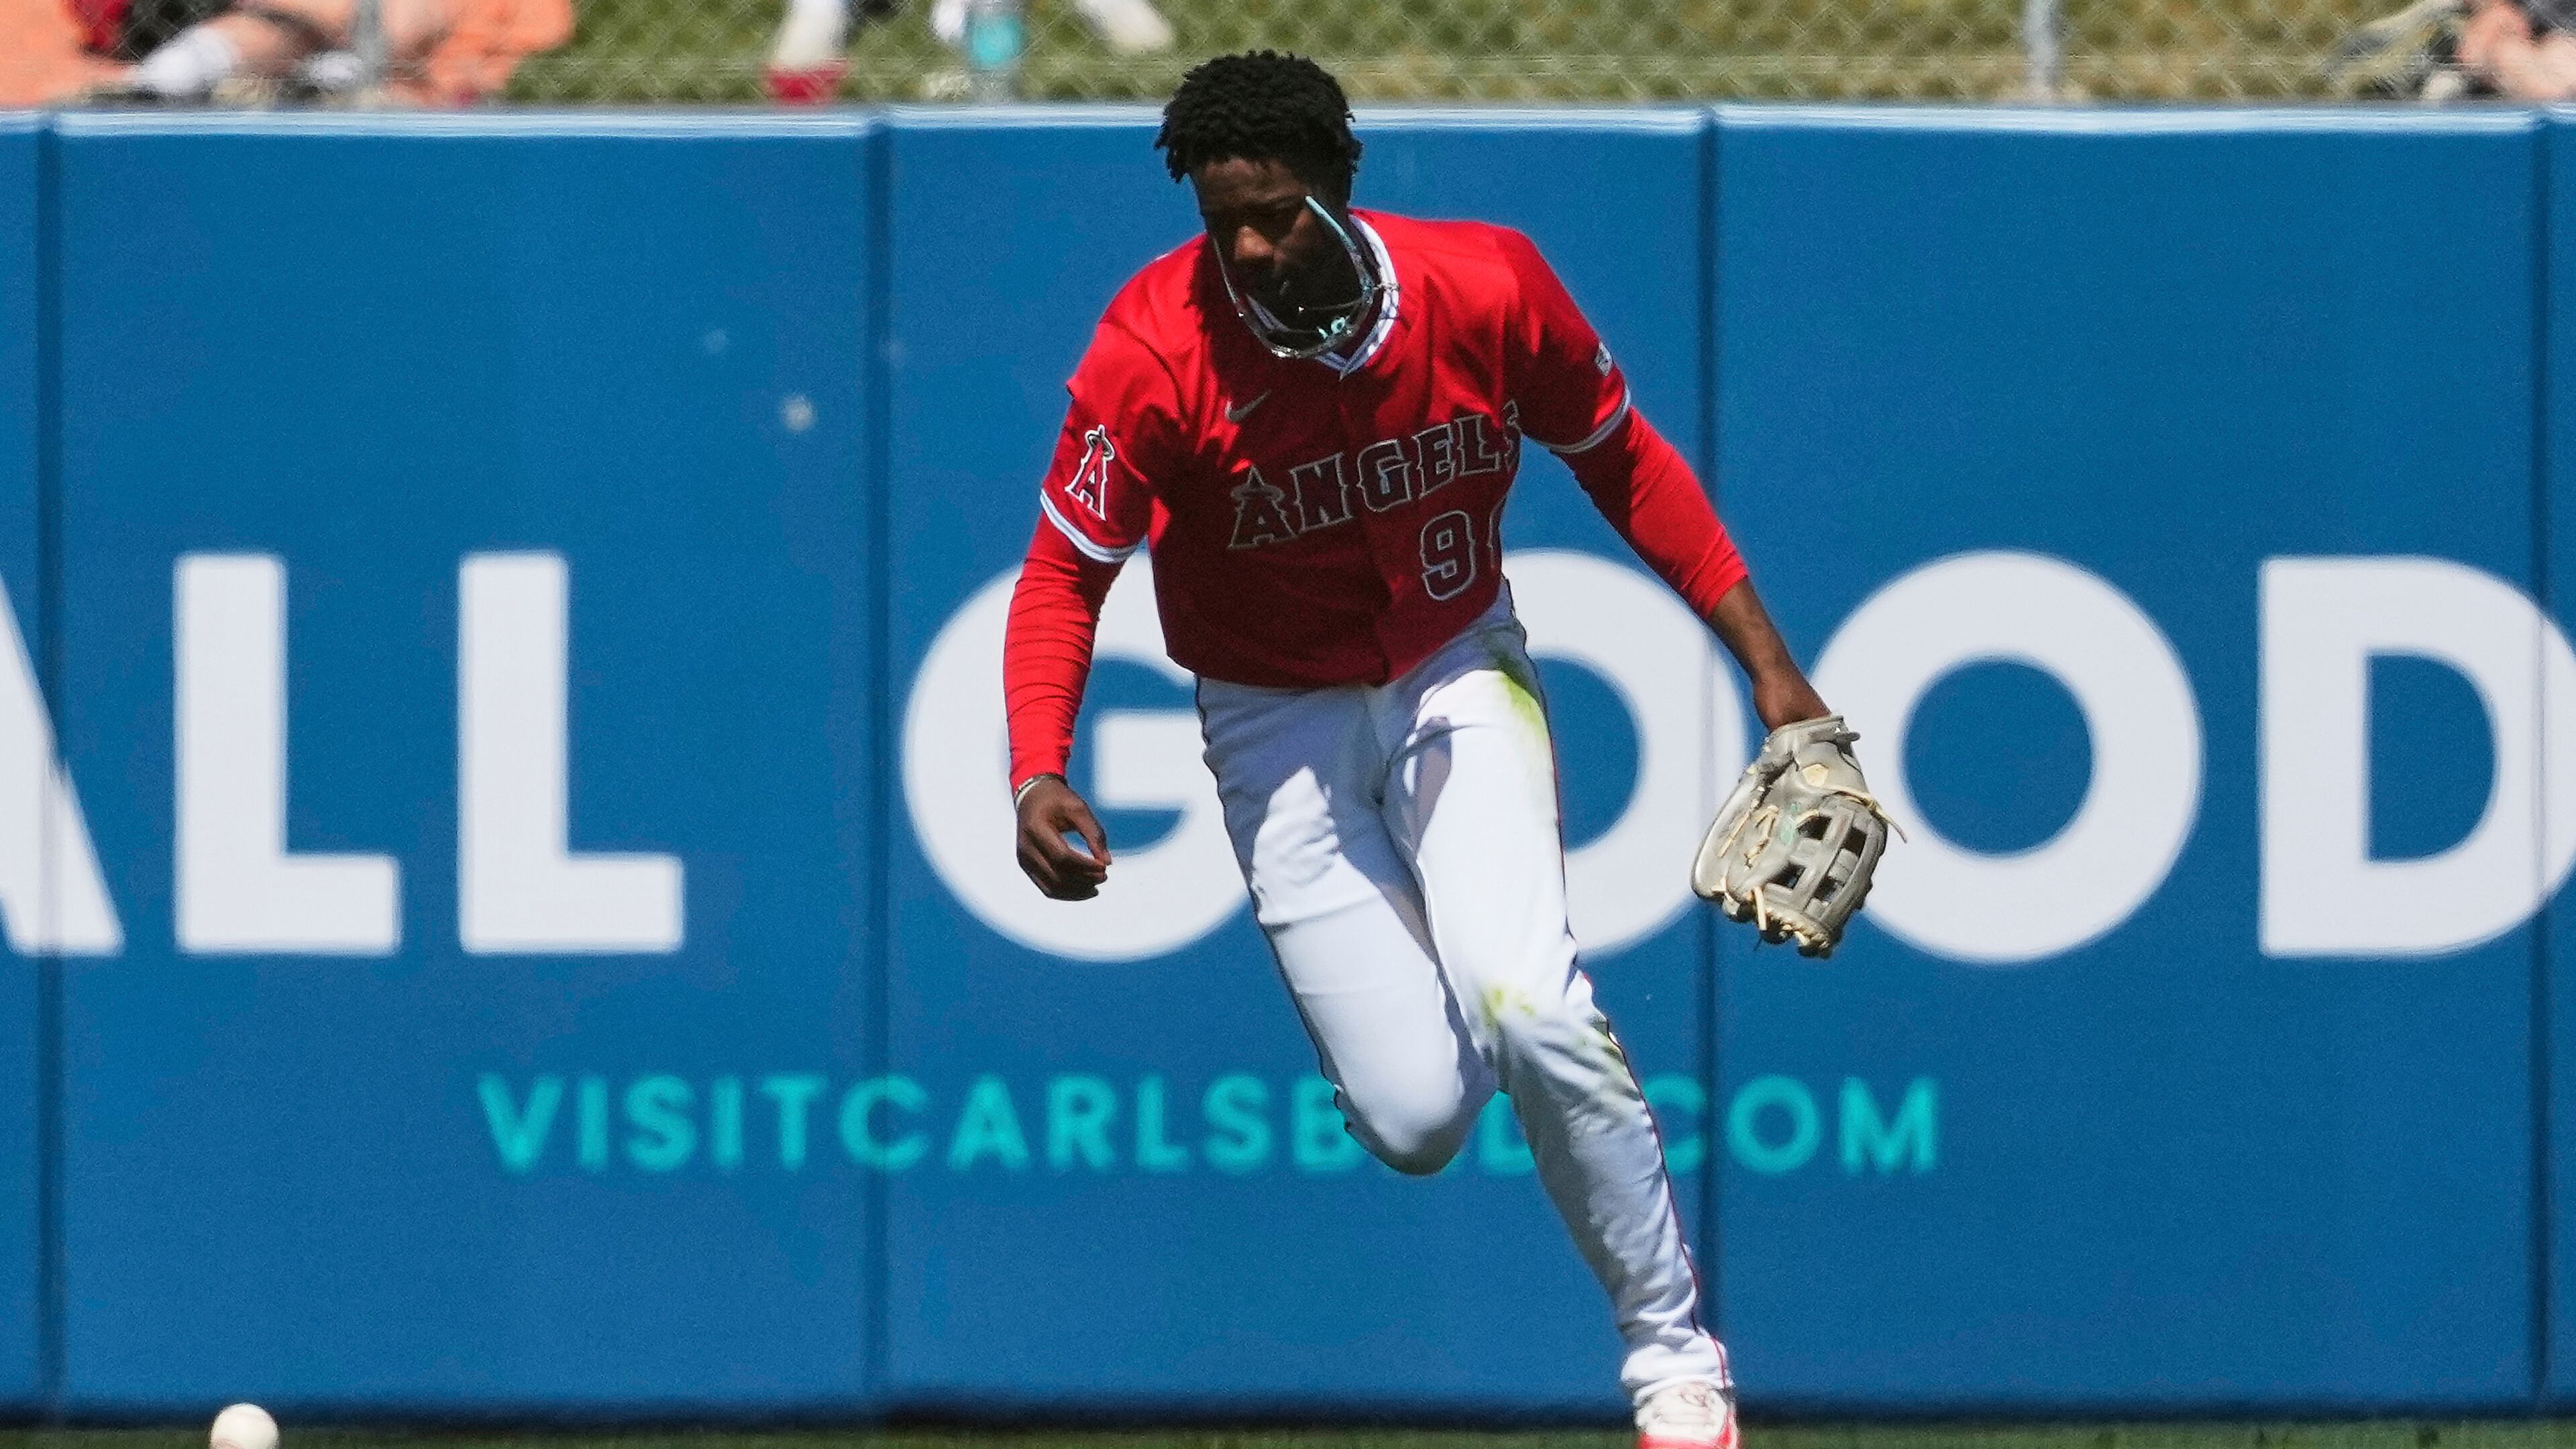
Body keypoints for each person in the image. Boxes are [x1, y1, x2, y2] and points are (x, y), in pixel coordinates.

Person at [1001, 50, 1837, 1449]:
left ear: (1341, 181)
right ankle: (1400, 1012)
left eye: (1274, 211)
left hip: (1458, 670)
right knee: (1417, 1119)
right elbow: (1059, 574)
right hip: (1274, 723)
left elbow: (1624, 458)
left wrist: (1771, 667)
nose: (1251, 248)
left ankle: (1674, 1363)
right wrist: (1038, 762)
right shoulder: (1154, 351)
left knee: (1534, 1007)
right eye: (1223, 223)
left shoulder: (1487, 286)